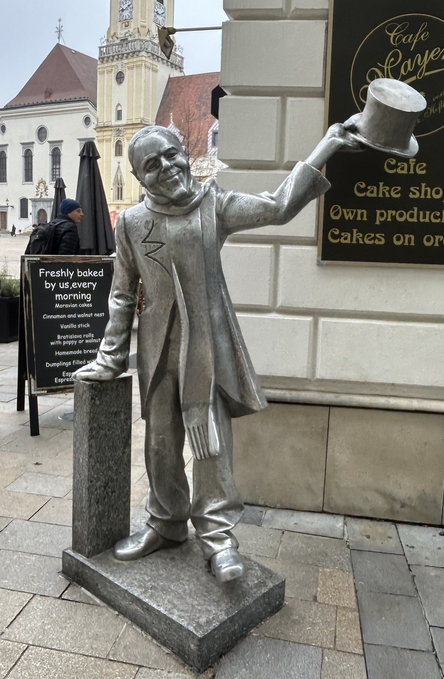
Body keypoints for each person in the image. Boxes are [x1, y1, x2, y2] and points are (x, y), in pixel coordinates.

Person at [74, 123, 360, 582]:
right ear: (139, 178)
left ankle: (219, 539)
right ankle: (166, 524)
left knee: (211, 445)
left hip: (205, 348)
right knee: (161, 444)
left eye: (172, 155)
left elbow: (278, 206)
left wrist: (325, 146)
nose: (168, 167)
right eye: (153, 164)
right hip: (157, 353)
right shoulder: (129, 223)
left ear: (184, 154)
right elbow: (122, 295)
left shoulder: (214, 205)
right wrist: (110, 356)